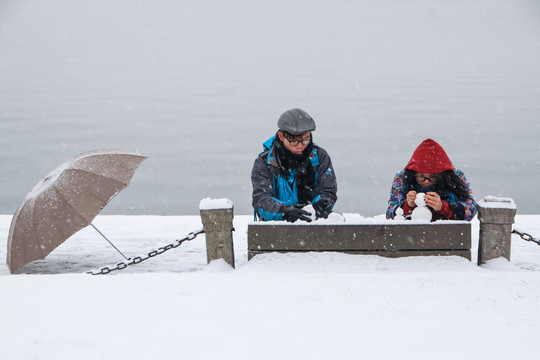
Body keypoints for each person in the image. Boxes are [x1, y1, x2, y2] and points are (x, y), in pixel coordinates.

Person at [251, 108, 338, 222]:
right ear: (281, 136)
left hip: (312, 222)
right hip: (276, 225)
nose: (300, 146)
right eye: (294, 141)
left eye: (306, 140)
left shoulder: (320, 156)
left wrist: (322, 204)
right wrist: (284, 211)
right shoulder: (264, 162)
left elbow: (328, 190)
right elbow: (260, 200)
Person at [386, 138, 477, 221]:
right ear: (413, 175)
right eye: (421, 176)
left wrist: (444, 207)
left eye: (432, 177)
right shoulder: (402, 178)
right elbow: (390, 213)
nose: (426, 181)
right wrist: (407, 205)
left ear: (441, 175)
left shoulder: (455, 177)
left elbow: (472, 209)